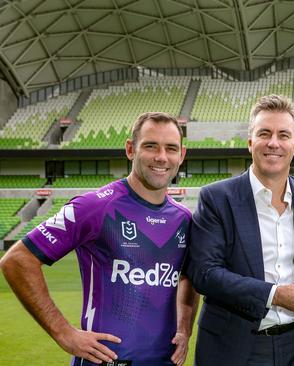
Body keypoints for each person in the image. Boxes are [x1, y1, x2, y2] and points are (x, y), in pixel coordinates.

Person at [0, 112, 198, 365]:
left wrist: (184, 329)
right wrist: (64, 332)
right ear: (130, 149)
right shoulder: (94, 206)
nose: (161, 157)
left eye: (170, 148)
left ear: (181, 155)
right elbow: (17, 260)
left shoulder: (184, 219)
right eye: (150, 146)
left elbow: (188, 276)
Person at [186, 94, 294, 366]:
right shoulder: (217, 198)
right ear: (250, 142)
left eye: (283, 135)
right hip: (236, 347)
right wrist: (275, 294)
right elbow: (204, 273)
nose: (274, 143)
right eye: (264, 133)